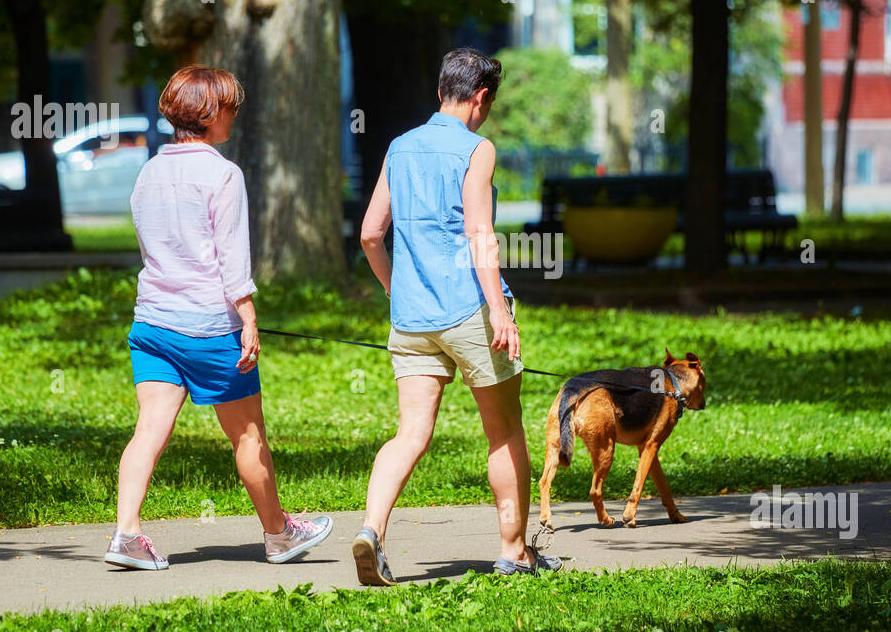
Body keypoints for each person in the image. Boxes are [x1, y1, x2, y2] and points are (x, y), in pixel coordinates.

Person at [104, 65, 332, 570]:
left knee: (148, 431)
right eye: (229, 105)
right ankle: (279, 535)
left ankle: (126, 535)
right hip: (210, 329)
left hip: (153, 325)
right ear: (211, 113)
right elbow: (232, 259)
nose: (234, 113)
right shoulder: (223, 174)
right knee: (249, 436)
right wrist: (248, 317)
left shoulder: (149, 173)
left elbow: (154, 248)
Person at [354, 47, 561, 585]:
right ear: (481, 96)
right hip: (468, 310)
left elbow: (371, 234)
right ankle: (513, 550)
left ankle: (371, 532)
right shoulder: (477, 149)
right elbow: (479, 234)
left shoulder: (399, 147)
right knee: (503, 431)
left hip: (412, 318)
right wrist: (500, 312)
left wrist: (399, 292)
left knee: (410, 434)